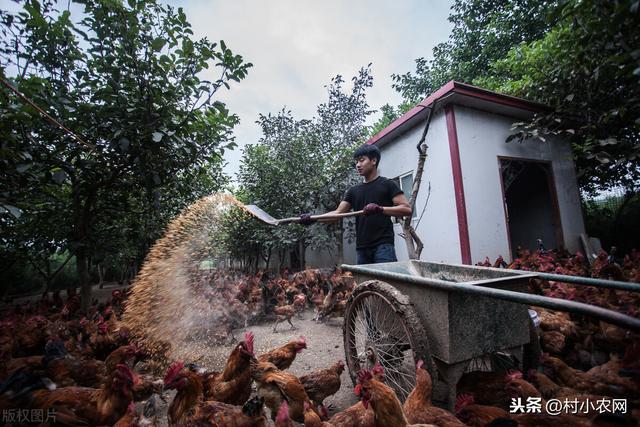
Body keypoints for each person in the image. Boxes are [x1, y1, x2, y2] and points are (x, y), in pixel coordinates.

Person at [300, 144, 412, 264]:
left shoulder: (387, 184)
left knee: (384, 282)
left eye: (361, 160)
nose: (358, 165)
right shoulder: (353, 191)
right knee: (365, 283)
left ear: (373, 161)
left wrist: (380, 209)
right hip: (362, 248)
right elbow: (337, 213)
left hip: (383, 246)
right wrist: (313, 219)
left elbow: (406, 209)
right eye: (356, 162)